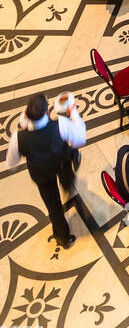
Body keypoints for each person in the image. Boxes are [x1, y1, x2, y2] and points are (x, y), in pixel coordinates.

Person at [5, 92, 87, 249]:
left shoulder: (18, 137)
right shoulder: (61, 124)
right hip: (61, 163)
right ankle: (67, 186)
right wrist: (73, 112)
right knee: (67, 178)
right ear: (47, 112)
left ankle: (64, 238)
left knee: (53, 205)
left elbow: (11, 163)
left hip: (41, 173)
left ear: (26, 113)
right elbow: (80, 139)